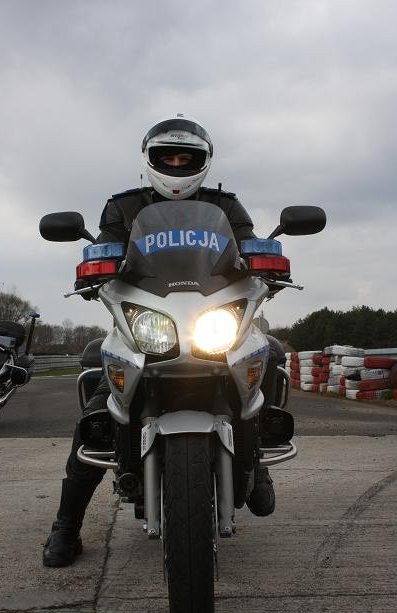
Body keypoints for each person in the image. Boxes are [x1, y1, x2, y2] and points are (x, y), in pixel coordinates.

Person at [43, 113, 280, 568]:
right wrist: (92, 265)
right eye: (166, 156)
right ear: (150, 159)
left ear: (202, 161)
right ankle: (66, 526)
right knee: (96, 416)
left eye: (184, 157)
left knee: (267, 354)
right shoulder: (123, 207)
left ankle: (257, 462)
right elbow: (105, 251)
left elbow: (248, 249)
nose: (175, 163)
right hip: (145, 323)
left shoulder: (226, 208)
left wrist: (272, 259)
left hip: (212, 319)